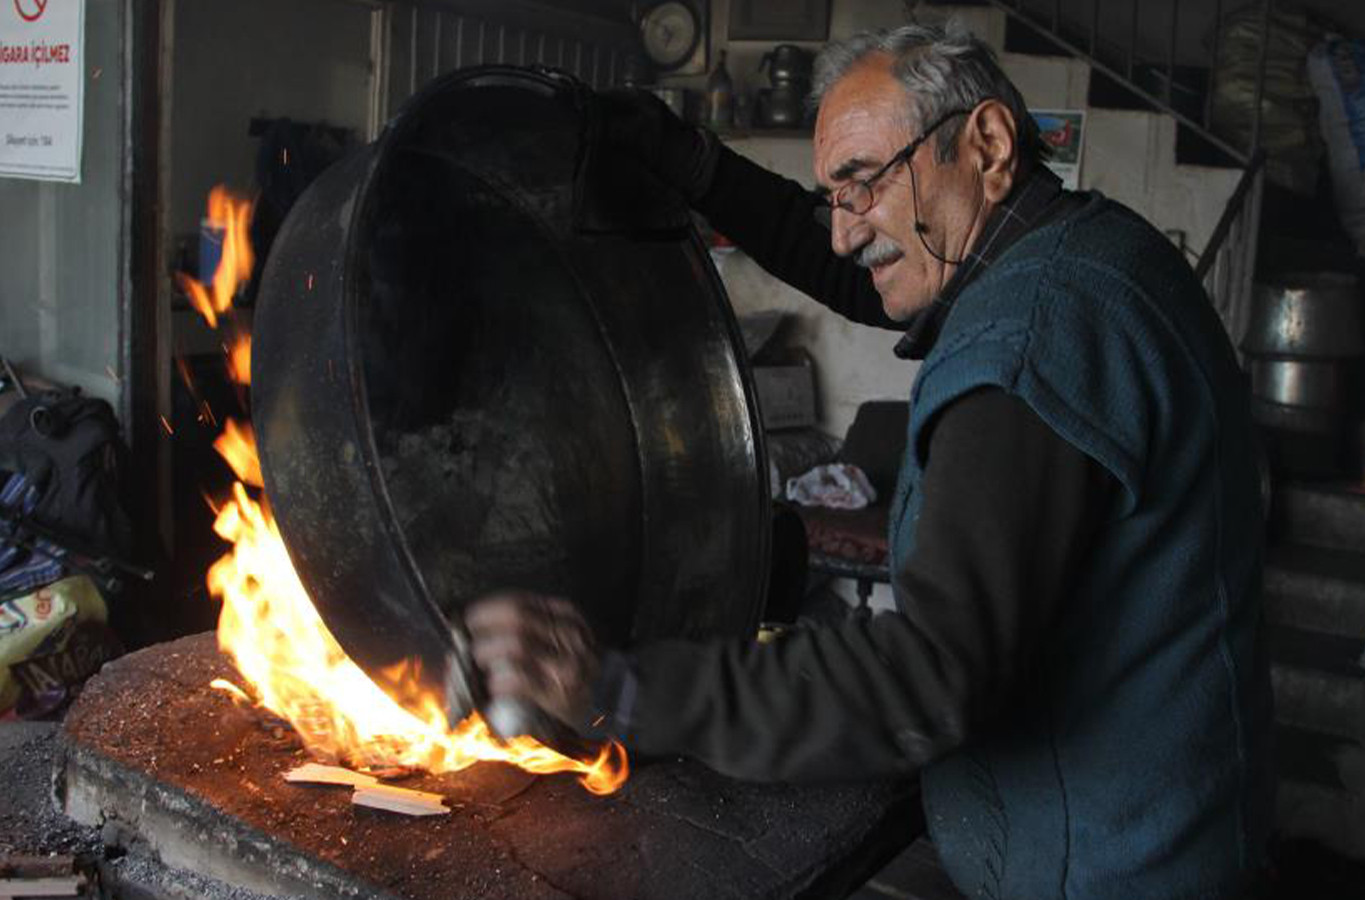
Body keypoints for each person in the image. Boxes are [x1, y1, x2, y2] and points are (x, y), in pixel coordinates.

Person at [468, 21, 1273, 900]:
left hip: (1112, 874)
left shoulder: (1030, 338)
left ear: (988, 144)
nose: (847, 232)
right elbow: (862, 265)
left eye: (862, 184)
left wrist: (625, 690)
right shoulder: (1081, 250)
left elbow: (933, 673)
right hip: (1167, 832)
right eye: (834, 196)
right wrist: (696, 164)